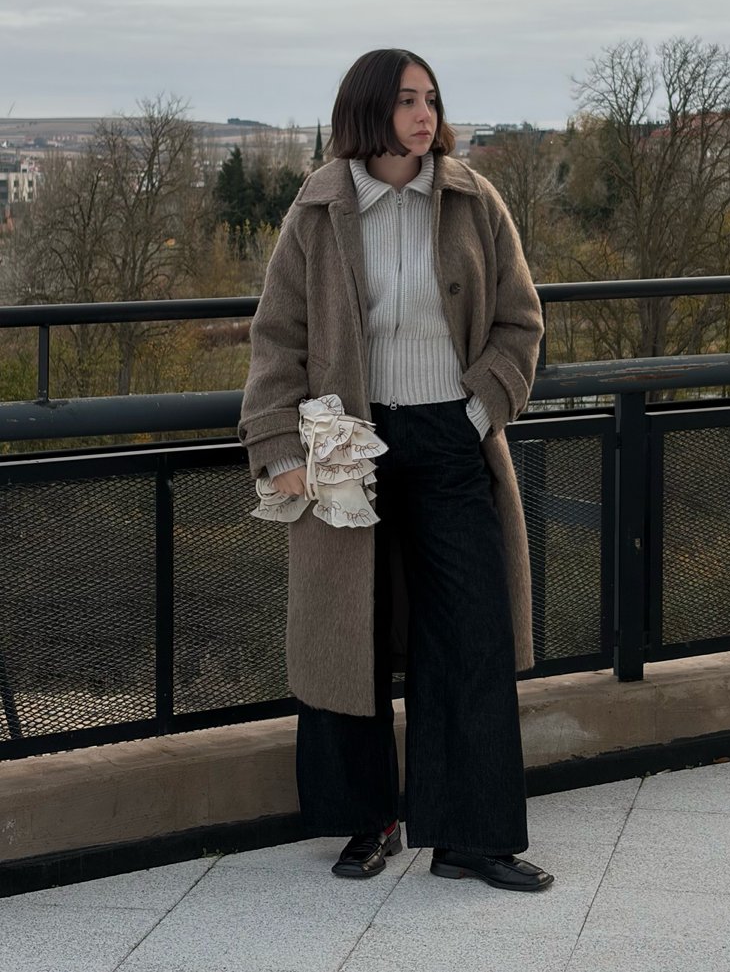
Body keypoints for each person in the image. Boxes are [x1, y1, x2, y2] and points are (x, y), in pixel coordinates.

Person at [238, 48, 553, 893]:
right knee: (352, 635)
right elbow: (278, 338)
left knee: (471, 636)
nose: (424, 113)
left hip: (451, 443)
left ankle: (472, 836)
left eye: (431, 98)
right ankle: (367, 822)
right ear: (369, 112)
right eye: (407, 100)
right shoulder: (318, 209)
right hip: (351, 448)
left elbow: (521, 324)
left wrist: (480, 410)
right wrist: (278, 450)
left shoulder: (472, 198)